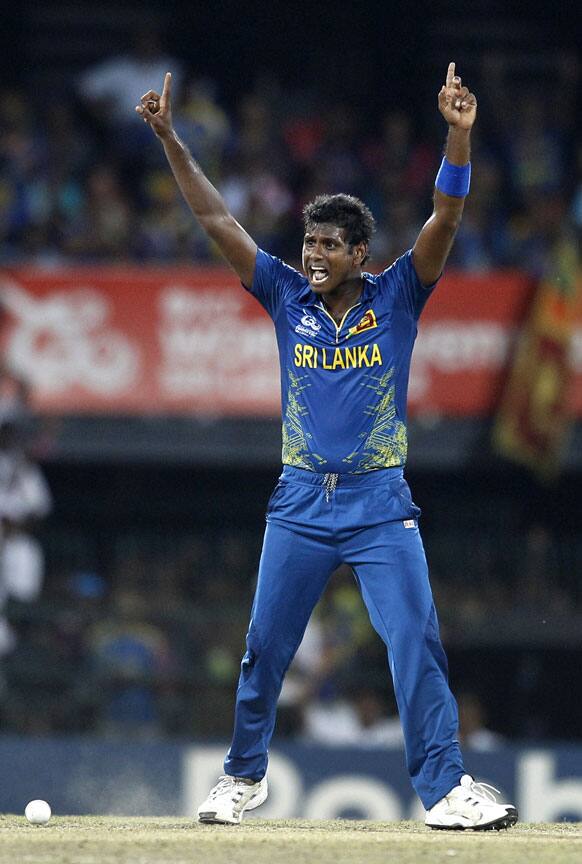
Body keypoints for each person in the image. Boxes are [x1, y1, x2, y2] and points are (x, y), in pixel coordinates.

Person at [137, 63, 518, 831]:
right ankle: (242, 778)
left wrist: (457, 132)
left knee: (415, 642)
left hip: (381, 499)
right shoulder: (284, 294)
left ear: (361, 253)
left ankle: (445, 791)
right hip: (302, 497)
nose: (312, 256)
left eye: (328, 246)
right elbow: (217, 223)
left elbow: (445, 214)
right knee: (262, 651)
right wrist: (172, 140)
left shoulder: (400, 294)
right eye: (308, 242)